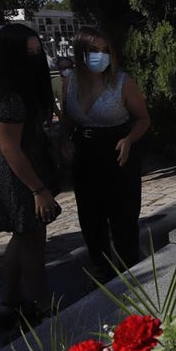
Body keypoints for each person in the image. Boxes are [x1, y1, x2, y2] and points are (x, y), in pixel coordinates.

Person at [0, 23, 61, 322]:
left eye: (38, 51)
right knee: (32, 240)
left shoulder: (18, 91)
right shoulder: (9, 96)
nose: (37, 57)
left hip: (25, 168)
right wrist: (38, 190)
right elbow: (10, 148)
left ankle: (9, 299)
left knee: (23, 236)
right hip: (18, 175)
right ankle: (42, 302)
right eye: (30, 53)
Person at [60, 26, 151, 271]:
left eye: (104, 50)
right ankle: (102, 272)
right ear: (80, 52)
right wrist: (64, 140)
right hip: (85, 152)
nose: (99, 55)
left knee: (123, 218)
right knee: (91, 219)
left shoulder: (122, 82)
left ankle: (130, 271)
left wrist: (130, 139)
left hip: (117, 150)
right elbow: (67, 119)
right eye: (92, 50)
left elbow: (143, 118)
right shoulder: (70, 84)